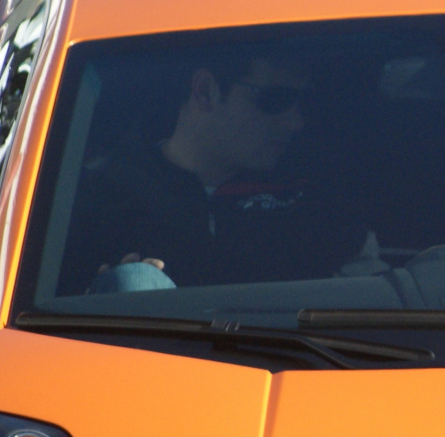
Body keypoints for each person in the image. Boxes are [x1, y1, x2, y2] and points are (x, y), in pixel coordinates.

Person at [76, 49, 380, 292]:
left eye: (302, 101)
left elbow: (372, 289)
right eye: (275, 100)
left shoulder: (315, 192)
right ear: (205, 91)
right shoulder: (96, 198)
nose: (295, 121)